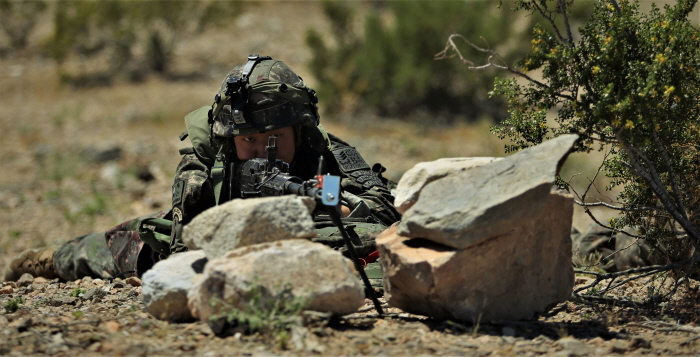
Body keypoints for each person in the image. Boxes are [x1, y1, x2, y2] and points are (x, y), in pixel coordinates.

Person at [3, 55, 400, 282]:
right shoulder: (204, 164)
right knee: (110, 249)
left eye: (274, 138)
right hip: (200, 236)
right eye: (248, 141)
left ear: (298, 128)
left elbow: (380, 208)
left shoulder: (323, 151)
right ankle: (42, 260)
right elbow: (182, 250)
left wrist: (327, 201)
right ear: (230, 138)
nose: (262, 151)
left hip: (313, 236)